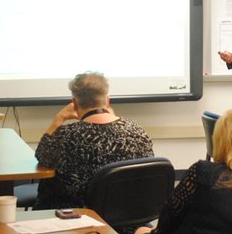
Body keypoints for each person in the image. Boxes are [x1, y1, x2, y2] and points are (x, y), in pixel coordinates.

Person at [34, 72, 154, 210]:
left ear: (74, 103)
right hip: (128, 220)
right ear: (107, 101)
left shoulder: (65, 136)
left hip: (76, 221)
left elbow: (42, 155)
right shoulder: (137, 132)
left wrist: (59, 118)